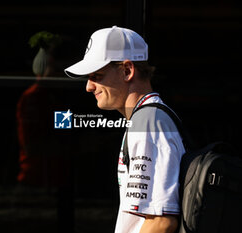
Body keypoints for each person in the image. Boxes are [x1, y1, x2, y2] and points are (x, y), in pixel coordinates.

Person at [64, 26, 185, 233]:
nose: (89, 87)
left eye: (97, 75)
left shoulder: (147, 123)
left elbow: (161, 222)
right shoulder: (147, 118)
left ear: (127, 71)